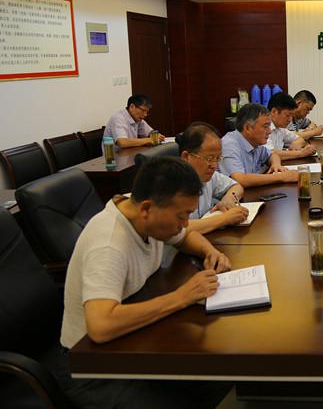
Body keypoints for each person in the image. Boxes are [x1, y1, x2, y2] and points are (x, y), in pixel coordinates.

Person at [58, 157, 232, 408]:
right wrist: (182, 296)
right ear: (147, 209)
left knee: (218, 373)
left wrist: (209, 251)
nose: (185, 224)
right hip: (92, 366)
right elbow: (101, 325)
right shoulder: (108, 245)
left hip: (133, 340)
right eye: (182, 216)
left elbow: (185, 237)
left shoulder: (140, 207)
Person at [177, 121, 249, 233]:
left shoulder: (206, 174)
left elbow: (236, 186)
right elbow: (176, 229)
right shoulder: (169, 184)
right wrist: (224, 219)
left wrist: (228, 200)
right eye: (209, 159)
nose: (214, 166)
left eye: (218, 158)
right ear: (186, 157)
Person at [218, 102, 298, 187]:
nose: (269, 131)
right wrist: (281, 177)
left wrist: (276, 165)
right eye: (265, 126)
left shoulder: (254, 142)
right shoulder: (229, 145)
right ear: (247, 128)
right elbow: (240, 179)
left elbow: (272, 155)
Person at [266, 92, 316, 161]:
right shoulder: (264, 128)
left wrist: (296, 144)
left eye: (292, 116)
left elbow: (300, 140)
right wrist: (300, 153)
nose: (290, 120)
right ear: (274, 111)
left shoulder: (280, 128)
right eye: (287, 115)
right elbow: (269, 154)